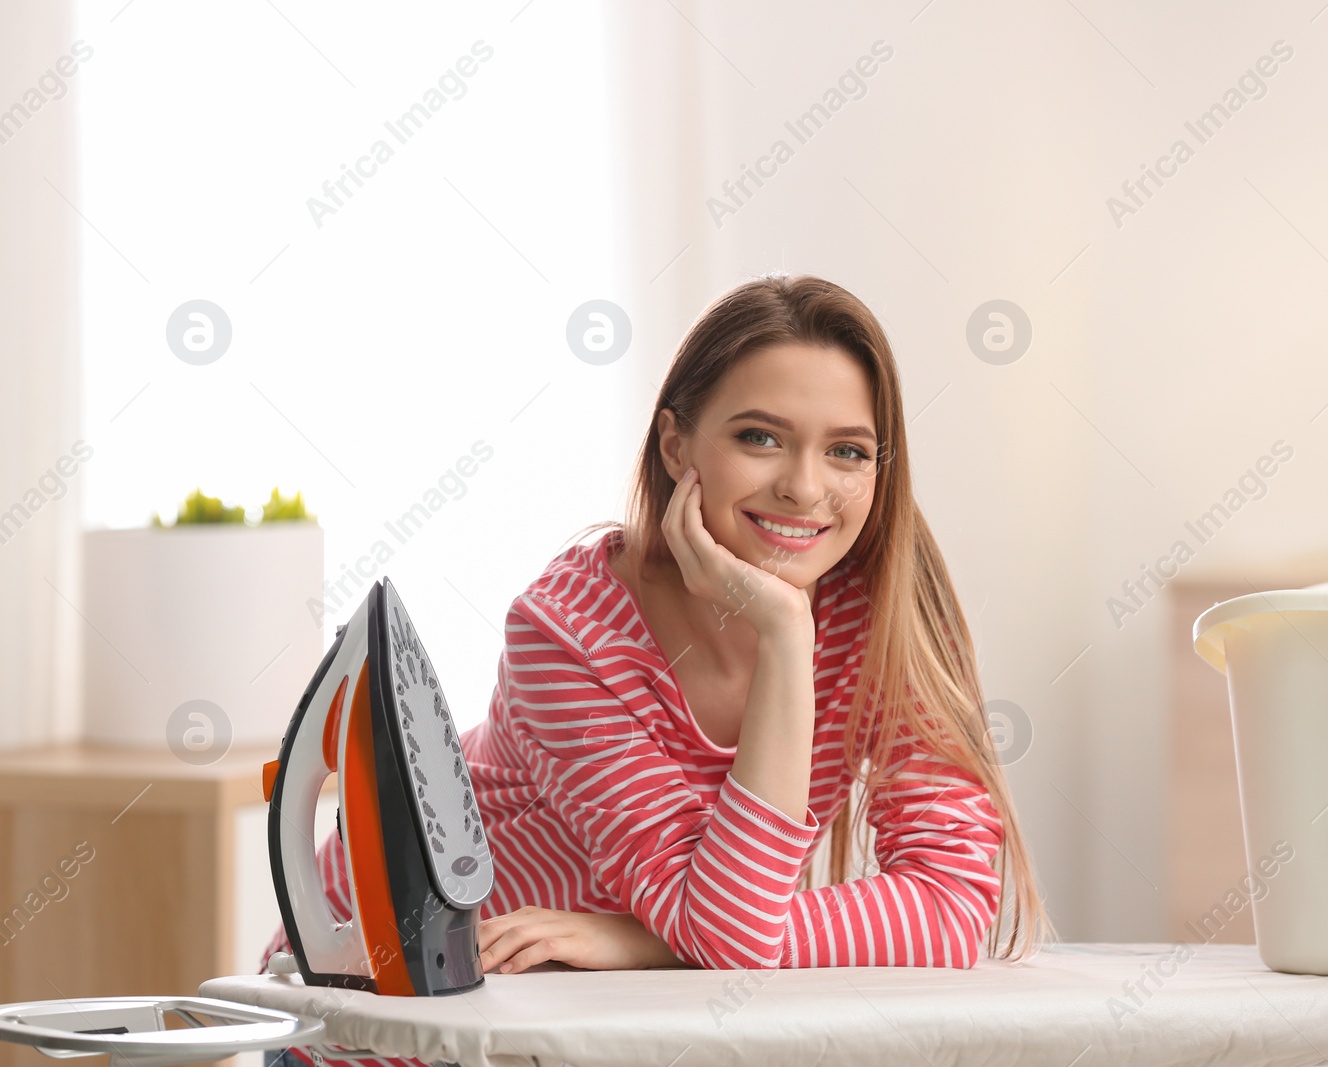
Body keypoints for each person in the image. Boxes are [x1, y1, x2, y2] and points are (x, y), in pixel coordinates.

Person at [258, 273, 1056, 1067]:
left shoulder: (880, 616)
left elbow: (950, 907)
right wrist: (784, 635)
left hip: (594, 1028)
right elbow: (729, 934)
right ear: (677, 446)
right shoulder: (564, 633)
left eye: (847, 451)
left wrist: (648, 941)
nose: (806, 487)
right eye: (760, 437)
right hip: (383, 1029)